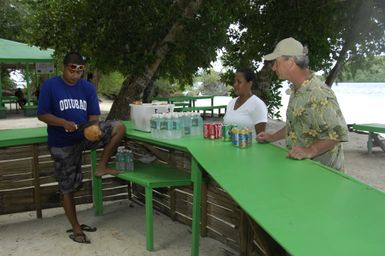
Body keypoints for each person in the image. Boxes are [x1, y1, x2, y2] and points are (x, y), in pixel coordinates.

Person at [37, 52, 125, 243]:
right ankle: (76, 228)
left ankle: (102, 166)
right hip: (62, 143)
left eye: (80, 70)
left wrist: (94, 129)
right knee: (67, 187)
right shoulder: (50, 86)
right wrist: (62, 122)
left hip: (83, 136)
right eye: (72, 69)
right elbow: (42, 114)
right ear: (64, 66)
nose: (76, 73)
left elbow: (93, 116)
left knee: (118, 127)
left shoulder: (87, 87)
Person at [256, 37, 348, 170]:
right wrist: (271, 137)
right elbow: (296, 125)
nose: (274, 67)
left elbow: (338, 133)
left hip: (324, 173)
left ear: (291, 62)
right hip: (303, 169)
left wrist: (310, 150)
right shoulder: (297, 90)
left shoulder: (319, 92)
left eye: (276, 62)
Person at [223, 68, 268, 138]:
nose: (235, 85)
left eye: (239, 82)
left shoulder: (258, 105)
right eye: (234, 81)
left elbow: (261, 137)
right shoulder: (231, 103)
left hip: (248, 148)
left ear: (249, 84)